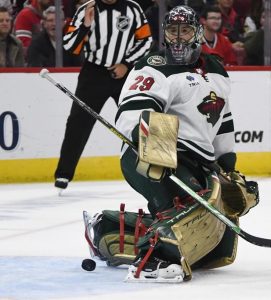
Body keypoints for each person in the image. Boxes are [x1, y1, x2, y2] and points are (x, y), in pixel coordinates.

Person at [83, 5, 259, 282]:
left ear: (198, 33)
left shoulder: (217, 70)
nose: (178, 38)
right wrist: (156, 148)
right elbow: (133, 112)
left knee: (216, 240)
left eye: (185, 30)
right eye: (172, 31)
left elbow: (223, 121)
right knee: (188, 206)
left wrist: (228, 168)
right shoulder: (153, 66)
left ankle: (108, 229)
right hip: (152, 155)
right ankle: (154, 260)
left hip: (198, 159)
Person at [54, 0, 152, 192]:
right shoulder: (87, 9)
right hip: (94, 73)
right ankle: (64, 174)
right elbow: (69, 46)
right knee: (78, 123)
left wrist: (127, 63)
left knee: (143, 120)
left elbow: (146, 40)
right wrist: (85, 26)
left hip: (126, 73)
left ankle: (160, 168)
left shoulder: (132, 8)